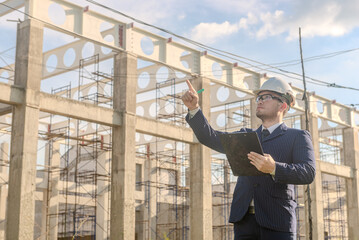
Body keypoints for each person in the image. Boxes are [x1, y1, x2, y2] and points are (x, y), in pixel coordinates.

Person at [182, 77, 316, 240]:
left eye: (266, 97)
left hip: (278, 221)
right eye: (259, 97)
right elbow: (210, 137)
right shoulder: (244, 136)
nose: (259, 101)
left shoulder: (297, 136)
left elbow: (308, 172)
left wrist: (274, 168)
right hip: (244, 221)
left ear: (283, 105)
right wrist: (194, 108)